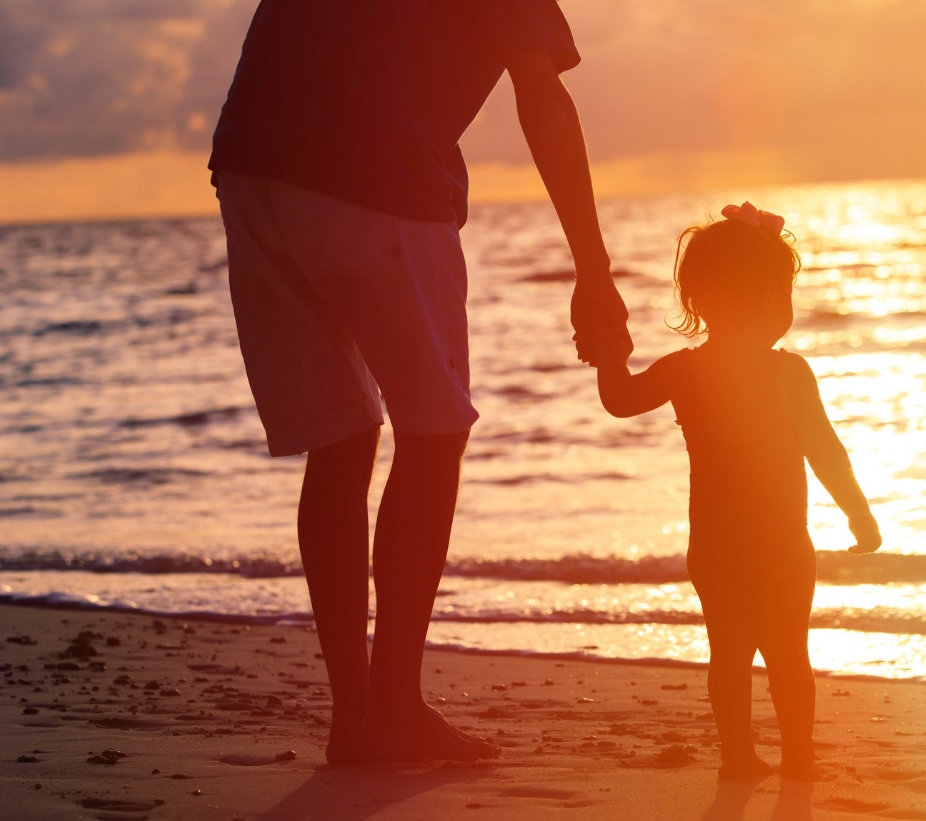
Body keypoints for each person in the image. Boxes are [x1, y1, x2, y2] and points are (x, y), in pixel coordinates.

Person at [208, 1, 630, 765]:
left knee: (341, 437)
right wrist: (593, 271)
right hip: (376, 170)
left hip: (250, 166)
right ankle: (394, 708)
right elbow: (540, 93)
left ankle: (356, 719)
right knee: (433, 432)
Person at [595, 203, 882, 780]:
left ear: (698, 298)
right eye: (776, 293)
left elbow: (619, 399)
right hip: (780, 545)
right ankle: (796, 759)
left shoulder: (686, 369)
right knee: (787, 656)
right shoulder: (789, 373)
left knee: (730, 655)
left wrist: (609, 353)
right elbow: (826, 452)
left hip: (719, 546)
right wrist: (858, 515)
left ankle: (740, 758)